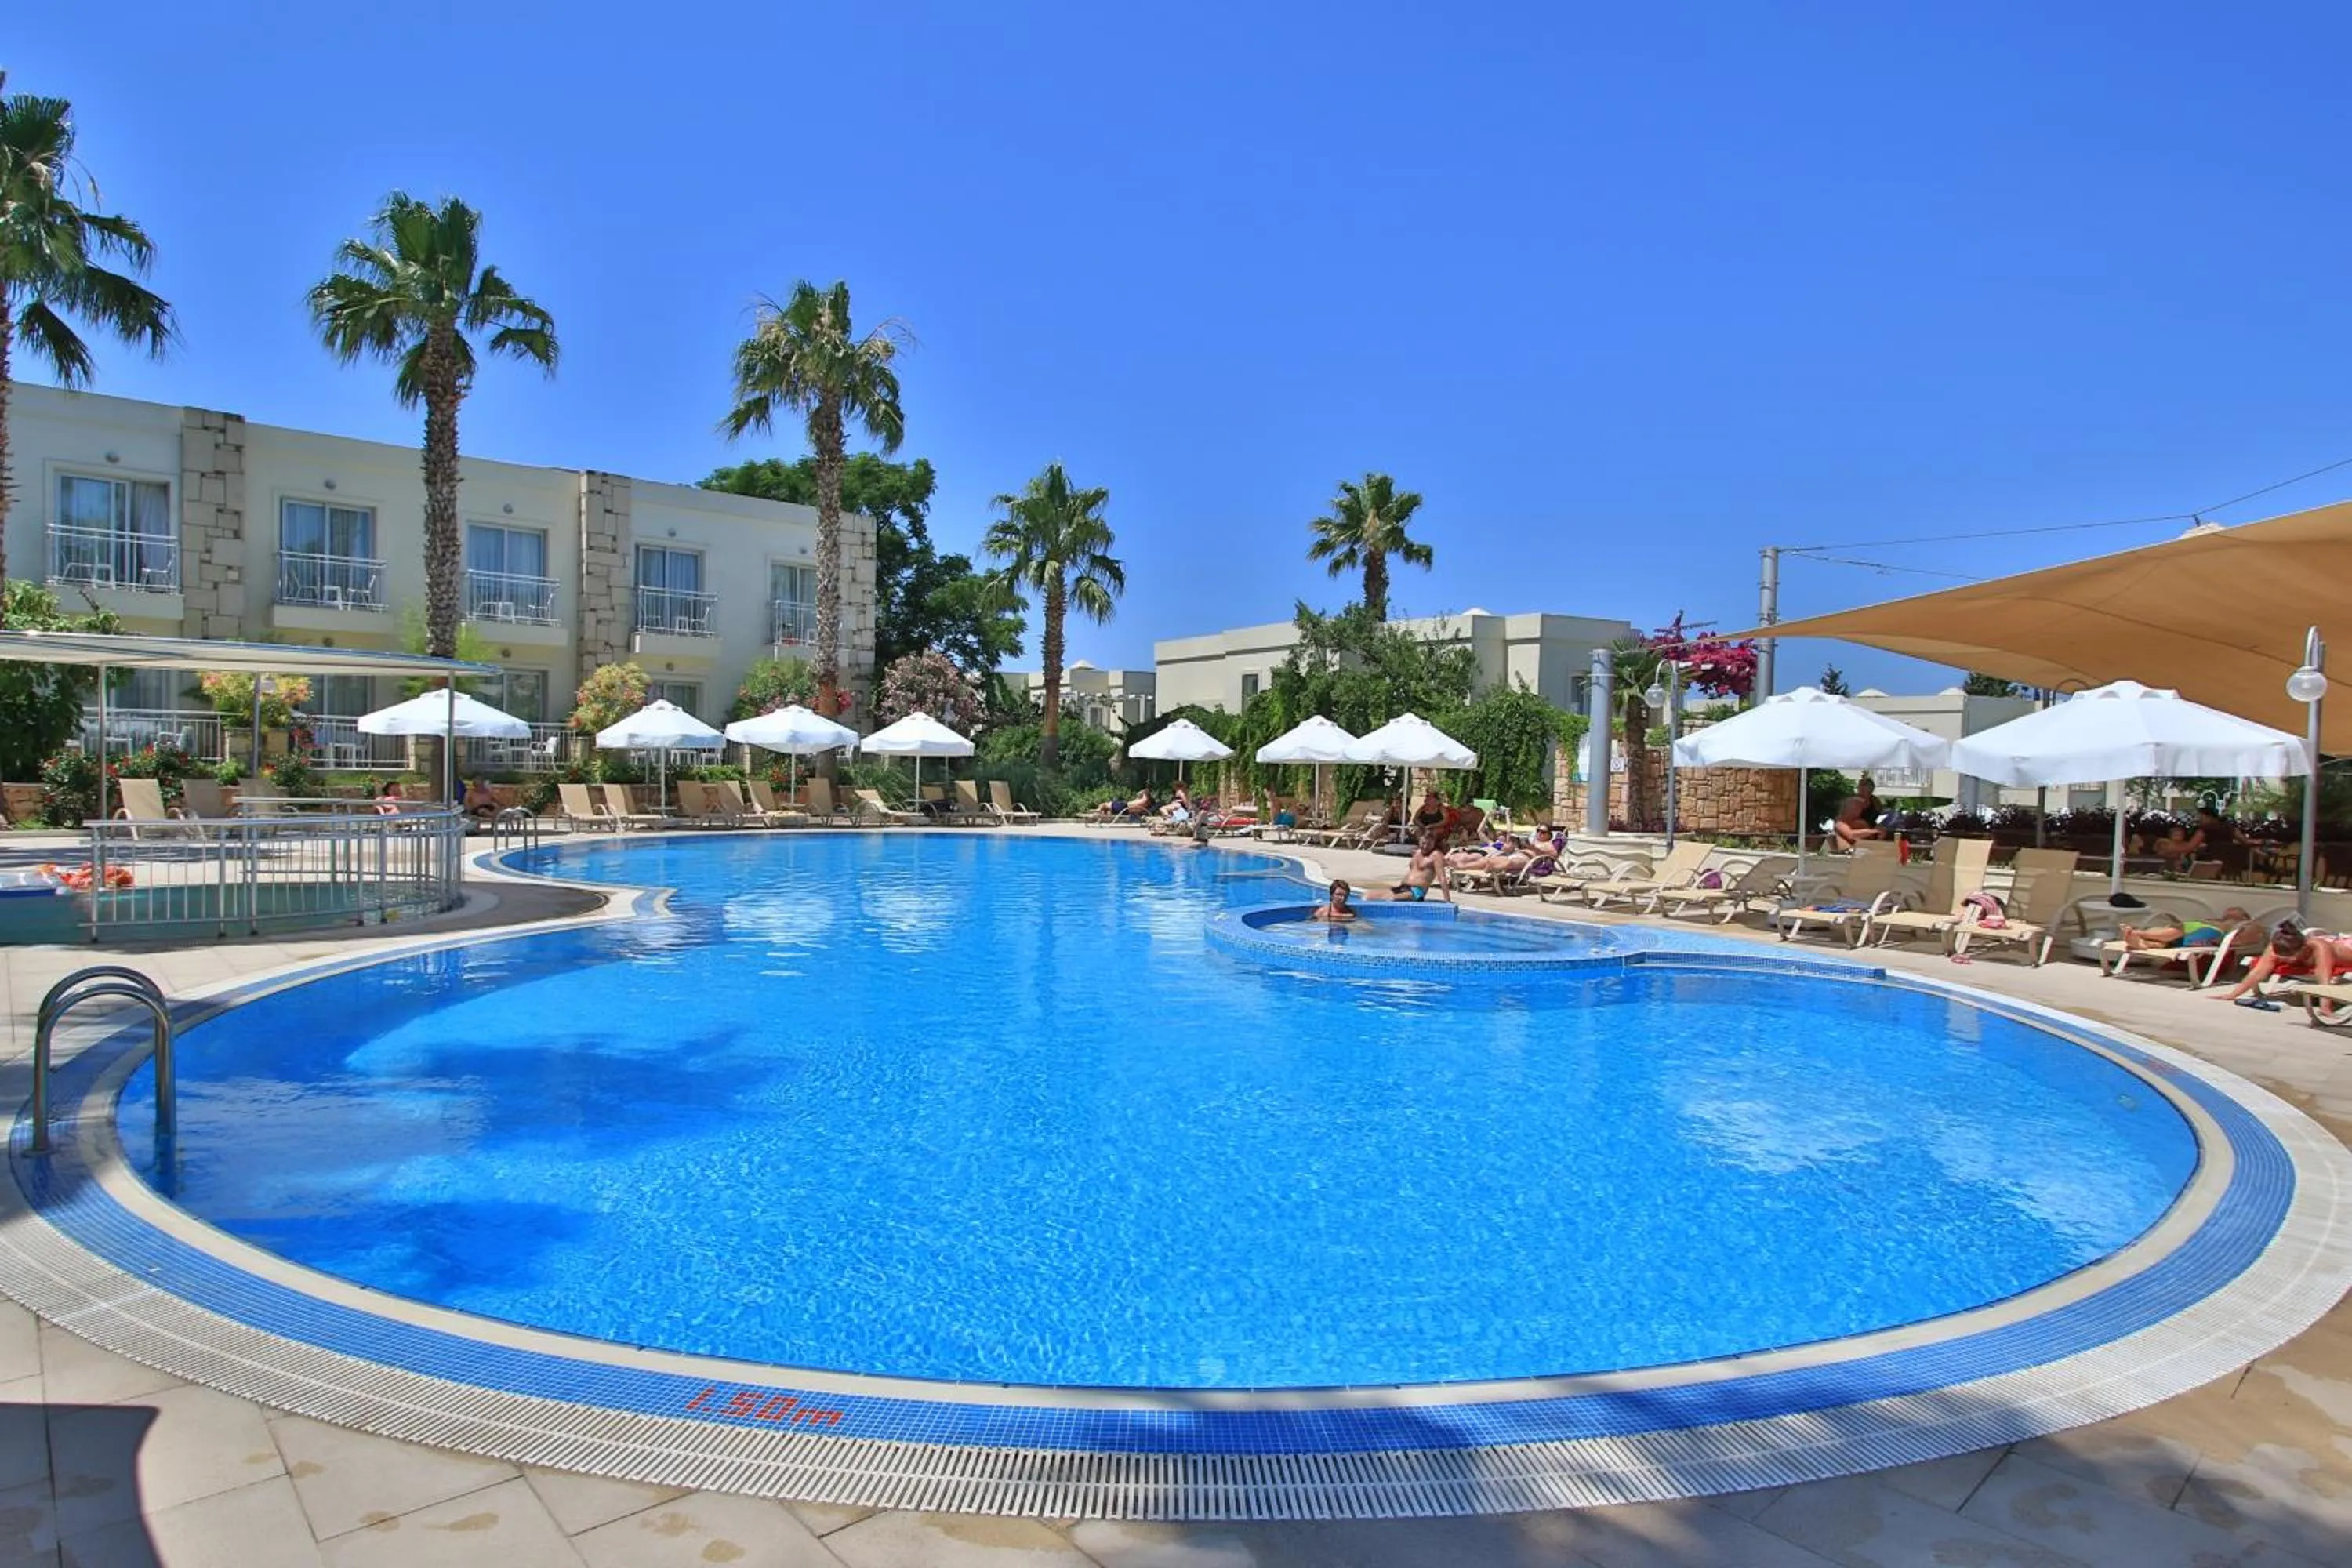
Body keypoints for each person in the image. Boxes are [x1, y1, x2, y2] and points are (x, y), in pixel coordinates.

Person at [2212, 924, 2352, 1009]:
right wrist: (2232, 995)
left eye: (2293, 956)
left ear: (2304, 947)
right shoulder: (2277, 946)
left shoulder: (2320, 947)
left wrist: (2325, 1006)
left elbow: (2323, 976)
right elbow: (2259, 972)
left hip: (2345, 948)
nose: (2289, 960)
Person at [2121, 906, 2256, 952]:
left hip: (2209, 930)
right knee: (2173, 940)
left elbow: (2250, 936)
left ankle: (2139, 933)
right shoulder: (2222, 921)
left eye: (2234, 910)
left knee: (2177, 930)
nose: (2229, 911)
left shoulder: (2245, 924)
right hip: (2206, 933)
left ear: (2244, 916)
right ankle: (2143, 944)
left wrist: (2226, 941)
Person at [1388, 829, 1454, 902]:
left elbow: (1442, 878)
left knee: (1390, 899)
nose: (1425, 846)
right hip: (1402, 887)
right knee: (1376, 896)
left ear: (1434, 843)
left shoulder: (1436, 855)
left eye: (1429, 844)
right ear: (1419, 841)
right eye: (1423, 843)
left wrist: (1448, 901)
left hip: (1416, 891)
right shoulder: (1417, 853)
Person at [1833, 775, 1886, 848]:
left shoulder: (1874, 802)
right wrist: (1874, 831)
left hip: (1867, 846)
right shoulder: (1841, 823)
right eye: (1856, 806)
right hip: (1851, 852)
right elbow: (1850, 835)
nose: (1860, 808)